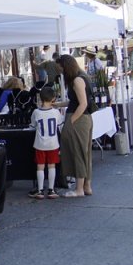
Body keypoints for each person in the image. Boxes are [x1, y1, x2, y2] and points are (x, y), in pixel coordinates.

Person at [57, 54, 95, 198]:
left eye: (61, 68)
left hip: (78, 119)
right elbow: (78, 101)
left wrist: (71, 121)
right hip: (84, 119)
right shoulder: (82, 77)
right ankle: (86, 186)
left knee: (78, 153)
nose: (60, 71)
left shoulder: (77, 80)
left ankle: (79, 189)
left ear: (66, 67)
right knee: (85, 153)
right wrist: (59, 104)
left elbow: (82, 104)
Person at [29, 86, 63, 200]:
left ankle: (39, 190)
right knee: (52, 165)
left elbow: (32, 126)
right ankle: (51, 190)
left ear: (40, 98)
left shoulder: (36, 112)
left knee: (40, 166)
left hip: (40, 144)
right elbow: (59, 125)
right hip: (53, 143)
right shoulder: (56, 112)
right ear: (53, 98)